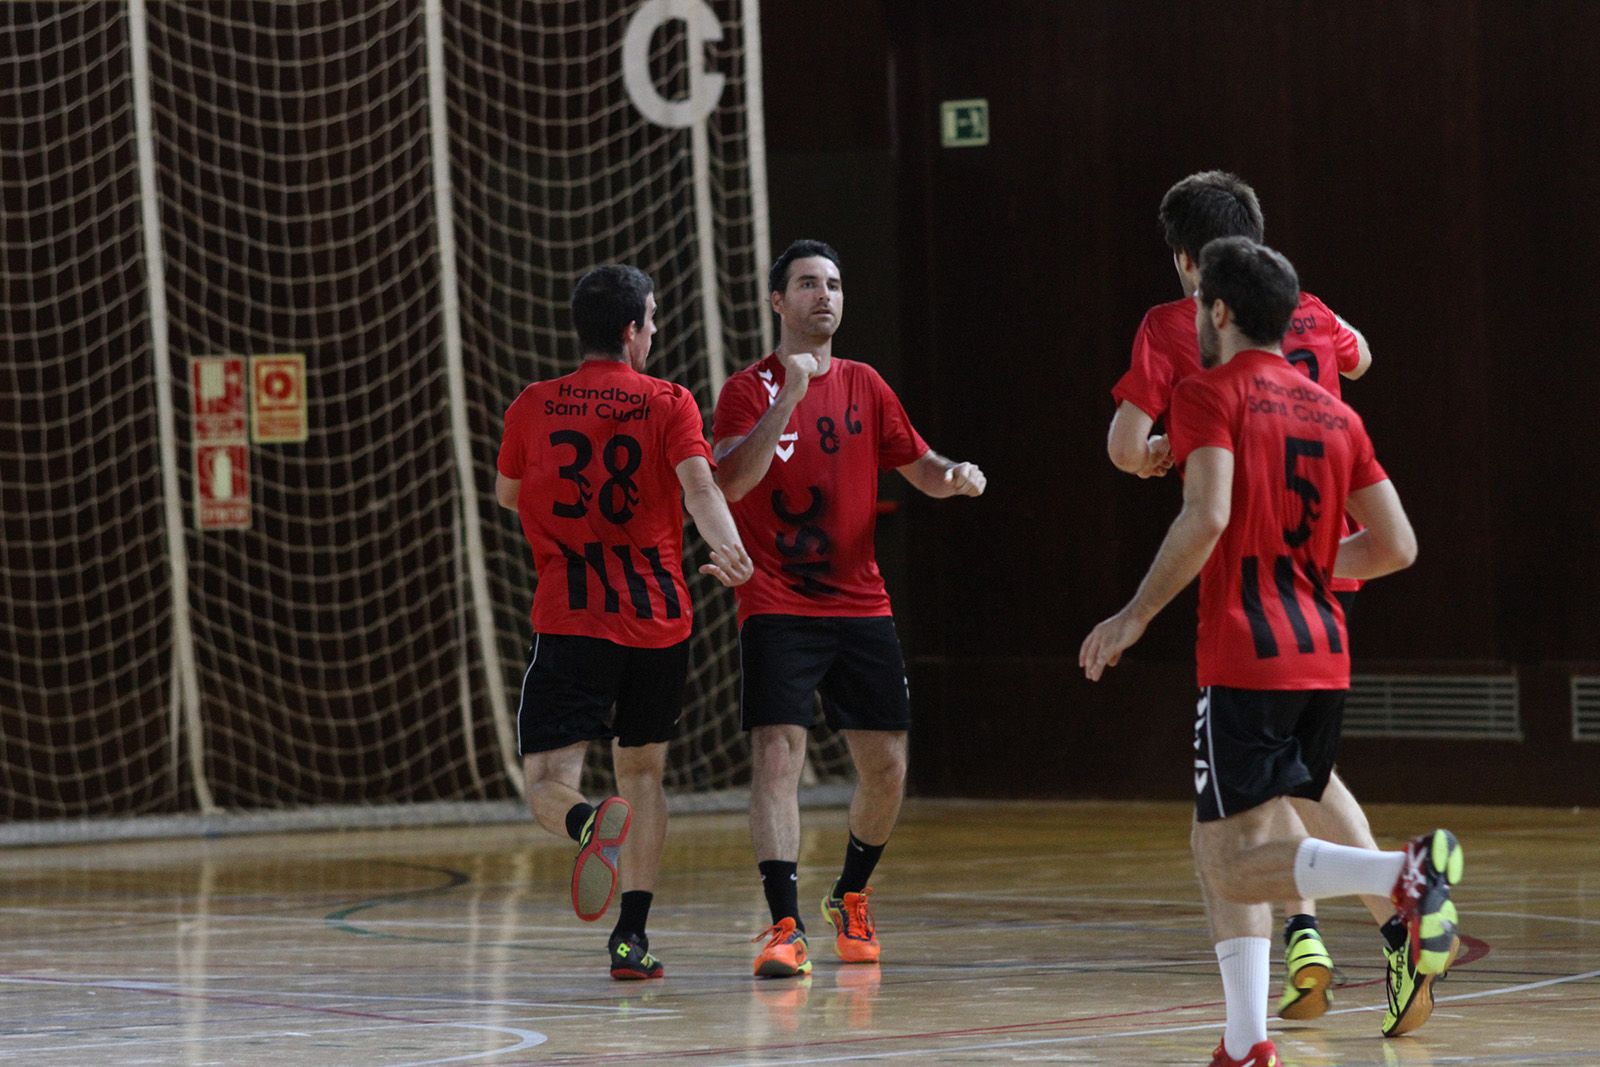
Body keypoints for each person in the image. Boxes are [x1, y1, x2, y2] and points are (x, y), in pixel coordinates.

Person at [1080, 237, 1462, 1067]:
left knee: (1234, 859)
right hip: (1324, 650)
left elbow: (1206, 515)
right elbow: (1396, 544)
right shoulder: (1338, 413)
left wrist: (1135, 614)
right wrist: (1304, 566)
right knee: (1215, 842)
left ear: (1217, 309)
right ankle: (1247, 1041)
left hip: (1248, 652)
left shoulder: (1210, 393)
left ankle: (1402, 875)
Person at [711, 239, 986, 978]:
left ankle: (851, 894)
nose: (823, 295)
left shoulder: (866, 383)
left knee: (887, 765)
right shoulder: (747, 390)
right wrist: (789, 400)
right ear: (778, 301)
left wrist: (952, 474)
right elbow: (731, 480)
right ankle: (783, 924)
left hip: (860, 602)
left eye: (833, 283)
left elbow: (918, 465)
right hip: (775, 599)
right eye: (806, 284)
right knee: (778, 754)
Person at [495, 264, 754, 980]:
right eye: (653, 319)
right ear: (633, 329)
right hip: (658, 621)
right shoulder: (669, 401)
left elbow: (507, 491)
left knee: (550, 777)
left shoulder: (532, 406)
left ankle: (585, 825)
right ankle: (630, 939)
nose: (655, 331)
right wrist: (725, 545)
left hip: (573, 616)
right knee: (642, 772)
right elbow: (699, 484)